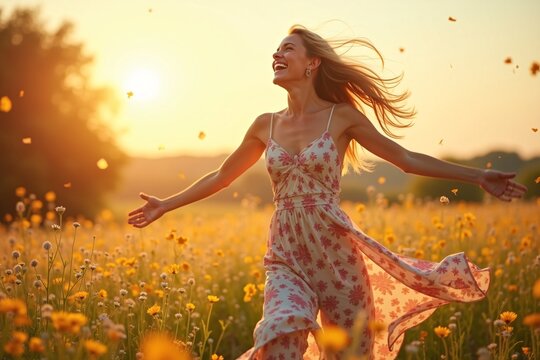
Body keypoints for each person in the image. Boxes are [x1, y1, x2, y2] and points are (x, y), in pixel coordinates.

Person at [128, 25, 527, 360]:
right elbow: (221, 175)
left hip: (336, 252)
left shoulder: (342, 118)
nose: (276, 54)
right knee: (280, 331)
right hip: (286, 251)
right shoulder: (264, 124)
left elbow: (404, 158)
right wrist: (168, 203)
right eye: (276, 50)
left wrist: (477, 176)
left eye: (288, 48)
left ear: (312, 62)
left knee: (350, 352)